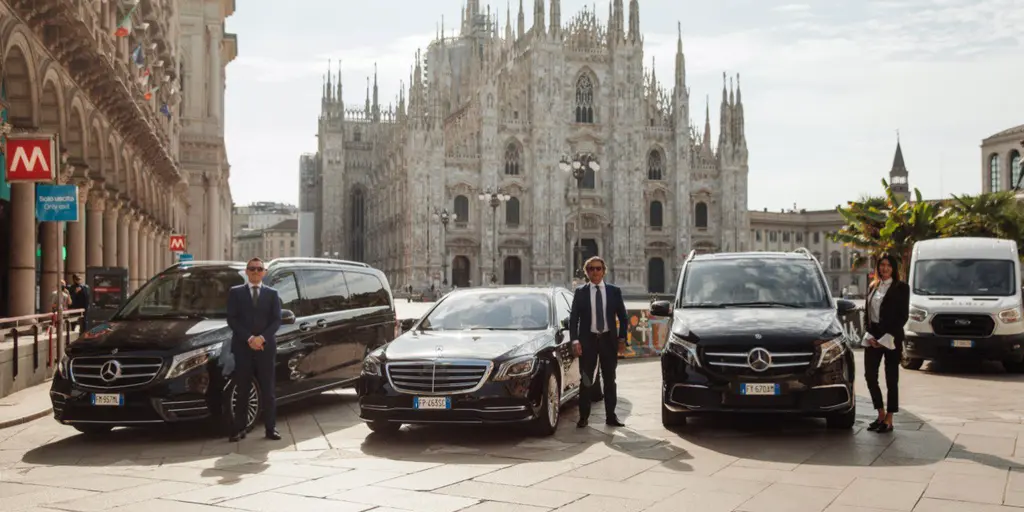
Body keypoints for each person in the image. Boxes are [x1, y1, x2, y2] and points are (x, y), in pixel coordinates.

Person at [226, 257, 283, 441]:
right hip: (243, 347)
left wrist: (261, 338)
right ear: (246, 271)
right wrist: (250, 338)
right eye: (252, 269)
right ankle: (239, 429)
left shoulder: (272, 294)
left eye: (259, 269)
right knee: (242, 389)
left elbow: (277, 320)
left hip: (265, 348)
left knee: (268, 390)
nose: (256, 272)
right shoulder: (236, 292)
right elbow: (232, 319)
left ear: (264, 272)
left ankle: (270, 429)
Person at [568, 255, 629, 428]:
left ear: (603, 271)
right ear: (586, 272)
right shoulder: (580, 292)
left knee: (610, 379)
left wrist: (622, 338)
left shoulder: (614, 291)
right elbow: (574, 319)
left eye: (598, 268)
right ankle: (583, 417)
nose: (595, 272)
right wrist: (575, 340)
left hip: (608, 341)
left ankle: (611, 416)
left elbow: (623, 317)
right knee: (586, 380)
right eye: (591, 269)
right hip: (588, 341)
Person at [863, 253, 910, 434]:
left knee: (891, 379)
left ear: (893, 268)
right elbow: (867, 313)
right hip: (873, 337)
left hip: (891, 338)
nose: (885, 268)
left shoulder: (901, 287)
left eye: (888, 265)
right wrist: (869, 334)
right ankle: (880, 414)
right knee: (870, 376)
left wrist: (885, 338)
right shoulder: (872, 286)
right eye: (882, 265)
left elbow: (903, 316)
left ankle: (889, 418)